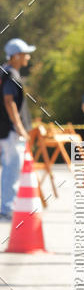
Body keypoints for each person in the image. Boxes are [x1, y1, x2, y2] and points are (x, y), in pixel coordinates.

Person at [0, 38, 35, 220]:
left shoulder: (3, 72)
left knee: (8, 166)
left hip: (4, 129)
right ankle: (7, 208)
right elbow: (9, 101)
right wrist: (20, 127)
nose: (27, 57)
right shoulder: (12, 74)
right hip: (10, 131)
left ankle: (6, 206)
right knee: (11, 168)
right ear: (15, 56)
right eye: (24, 54)